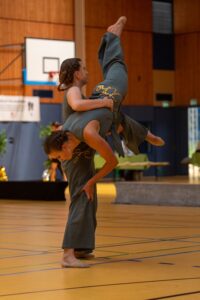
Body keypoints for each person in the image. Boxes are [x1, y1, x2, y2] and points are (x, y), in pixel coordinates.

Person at [44, 17, 164, 268]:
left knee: (88, 198)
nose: (87, 71)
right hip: (85, 143)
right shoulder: (73, 93)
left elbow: (98, 118)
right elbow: (80, 107)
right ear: (76, 73)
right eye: (85, 69)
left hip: (85, 143)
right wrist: (103, 102)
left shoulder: (79, 123)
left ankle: (81, 247)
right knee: (116, 74)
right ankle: (68, 253)